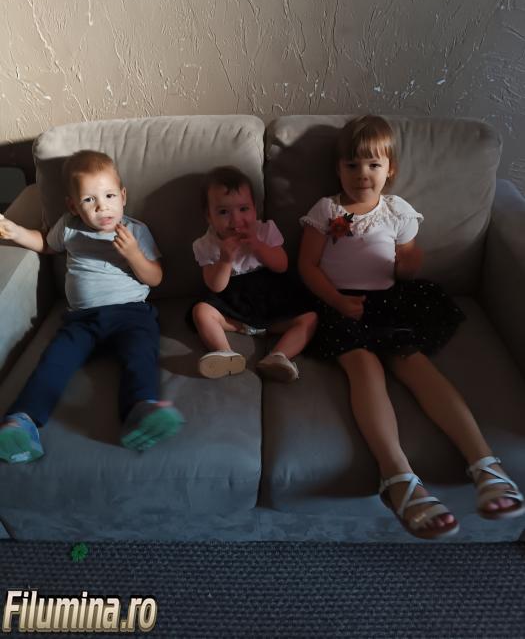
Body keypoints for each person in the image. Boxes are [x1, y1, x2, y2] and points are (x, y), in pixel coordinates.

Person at [298, 114, 524, 539]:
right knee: (364, 368)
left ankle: (485, 464)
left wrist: (408, 264)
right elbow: (307, 266)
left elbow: (404, 264)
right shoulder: (326, 210)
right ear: (338, 170)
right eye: (351, 165)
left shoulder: (396, 210)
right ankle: (397, 475)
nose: (362, 174)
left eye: (373, 164)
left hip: (390, 303)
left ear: (390, 169)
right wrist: (337, 301)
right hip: (338, 303)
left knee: (415, 365)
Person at [0, 150, 184, 464]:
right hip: (81, 320)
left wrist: (134, 255)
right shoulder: (69, 227)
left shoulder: (135, 231)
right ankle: (21, 422)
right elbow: (46, 244)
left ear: (123, 196)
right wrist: (16, 232)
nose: (102, 207)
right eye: (89, 200)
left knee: (140, 353)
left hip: (130, 314)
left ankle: (141, 409)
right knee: (54, 362)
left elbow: (155, 277)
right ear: (73, 206)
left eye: (109, 196)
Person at [191, 166, 317, 382]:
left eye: (243, 209)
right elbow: (215, 285)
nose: (235, 219)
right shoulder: (206, 244)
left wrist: (259, 246)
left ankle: (278, 356)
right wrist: (225, 261)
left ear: (255, 209)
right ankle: (225, 353)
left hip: (273, 302)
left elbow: (282, 265)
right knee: (201, 312)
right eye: (223, 212)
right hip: (232, 308)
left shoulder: (265, 230)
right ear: (209, 216)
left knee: (310, 318)